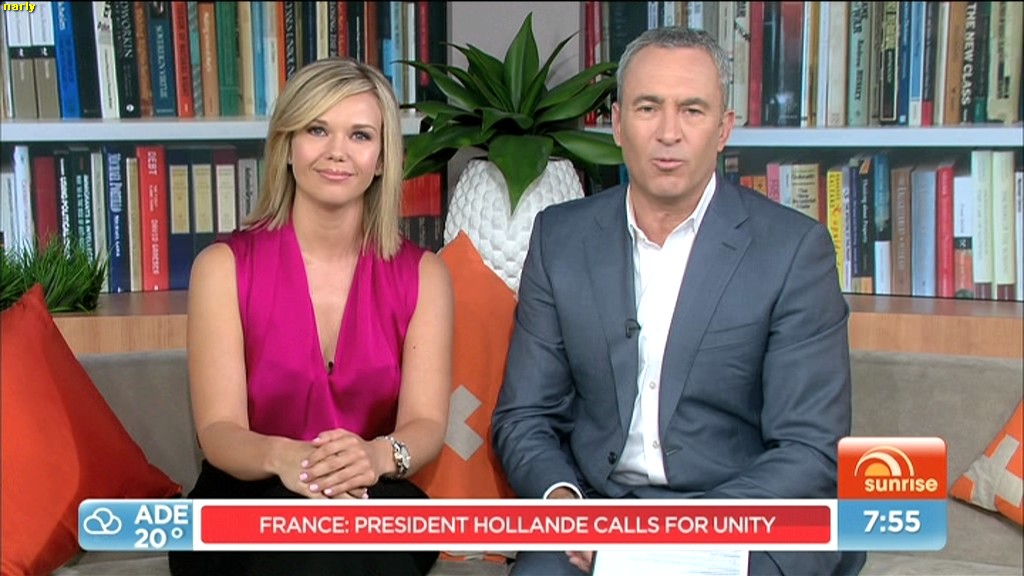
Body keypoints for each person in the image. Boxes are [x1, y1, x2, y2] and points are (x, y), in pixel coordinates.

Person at [491, 27, 866, 576]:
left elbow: (811, 449)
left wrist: (666, 538)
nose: (669, 133)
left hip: (746, 516)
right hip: (601, 514)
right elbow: (524, 417)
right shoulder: (559, 239)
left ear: (723, 129)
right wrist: (564, 503)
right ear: (618, 124)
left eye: (692, 110)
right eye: (648, 108)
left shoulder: (792, 250)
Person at [168, 57, 454, 576]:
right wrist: (287, 460)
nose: (337, 151)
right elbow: (218, 430)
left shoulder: (424, 275)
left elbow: (427, 423)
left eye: (360, 135)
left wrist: (375, 457)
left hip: (369, 491)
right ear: (287, 145)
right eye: (317, 130)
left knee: (351, 544)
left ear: (382, 158)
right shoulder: (222, 268)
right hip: (246, 495)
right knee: (320, 550)